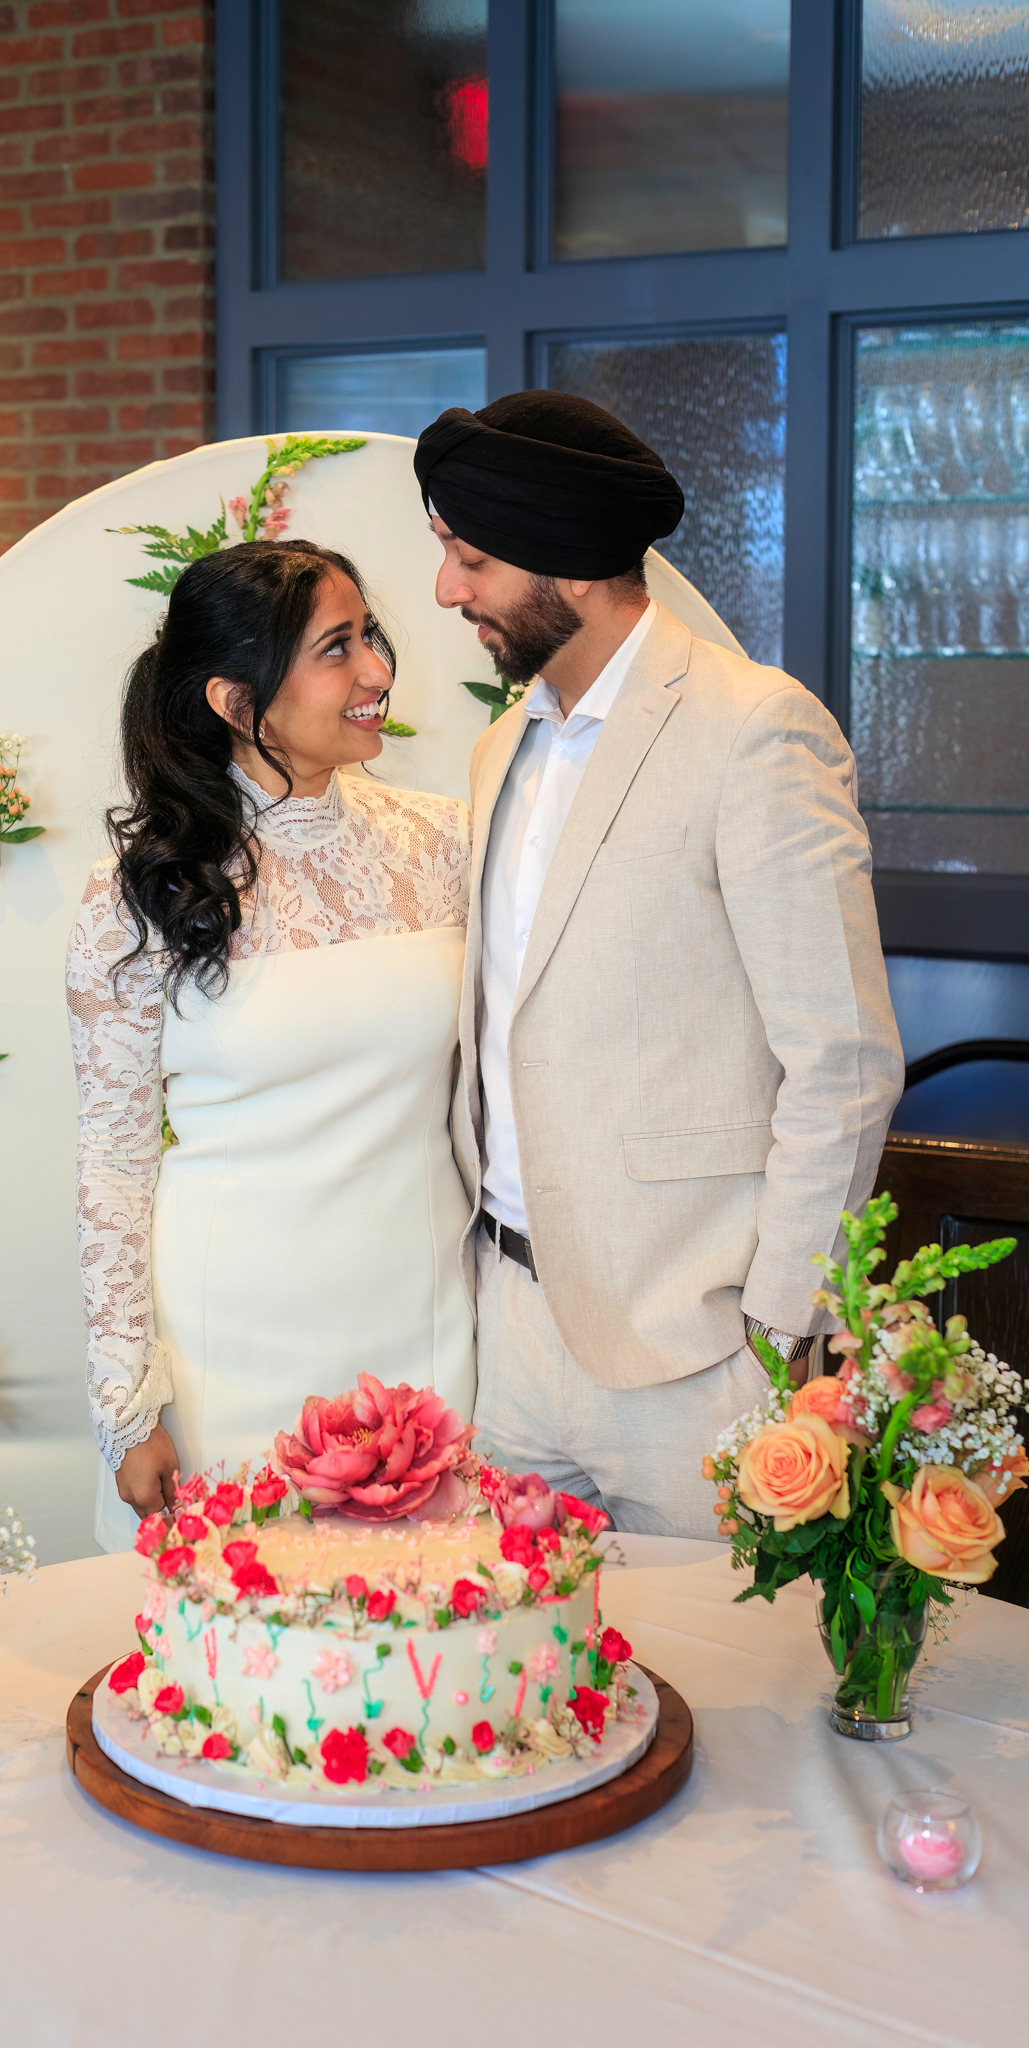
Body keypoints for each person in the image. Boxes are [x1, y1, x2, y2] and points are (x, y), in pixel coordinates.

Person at [415, 390, 905, 1541]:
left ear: (573, 564)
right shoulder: (500, 747)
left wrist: (780, 1321)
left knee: (715, 1656)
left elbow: (842, 1056)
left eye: (472, 558)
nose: (446, 590)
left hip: (697, 1345)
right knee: (524, 1653)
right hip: (509, 1328)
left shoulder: (755, 728)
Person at [66, 538, 475, 1532]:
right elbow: (114, 1160)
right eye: (337, 648)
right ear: (233, 699)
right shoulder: (135, 898)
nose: (376, 671)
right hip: (229, 1341)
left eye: (369, 636)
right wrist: (127, 1404)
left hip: (423, 1321)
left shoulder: (446, 843)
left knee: (431, 1617)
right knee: (243, 1619)